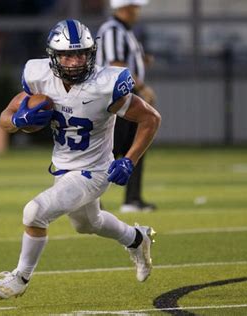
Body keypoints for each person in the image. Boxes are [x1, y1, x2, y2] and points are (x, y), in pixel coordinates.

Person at [0, 19, 161, 299]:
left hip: (95, 170)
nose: (75, 61)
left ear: (91, 53)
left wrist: (130, 159)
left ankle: (19, 278)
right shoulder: (38, 76)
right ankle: (137, 239)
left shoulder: (105, 85)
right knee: (88, 224)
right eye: (67, 54)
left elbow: (151, 118)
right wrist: (19, 120)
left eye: (81, 53)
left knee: (35, 212)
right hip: (64, 168)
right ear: (53, 57)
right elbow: (6, 117)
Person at [96, 0, 157, 213]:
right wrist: (142, 86)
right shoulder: (112, 30)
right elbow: (116, 65)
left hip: (126, 96)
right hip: (117, 98)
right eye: (135, 6)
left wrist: (141, 62)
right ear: (126, 7)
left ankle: (132, 199)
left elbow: (125, 61)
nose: (138, 10)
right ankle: (92, 198)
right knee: (110, 150)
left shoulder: (123, 30)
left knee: (137, 146)